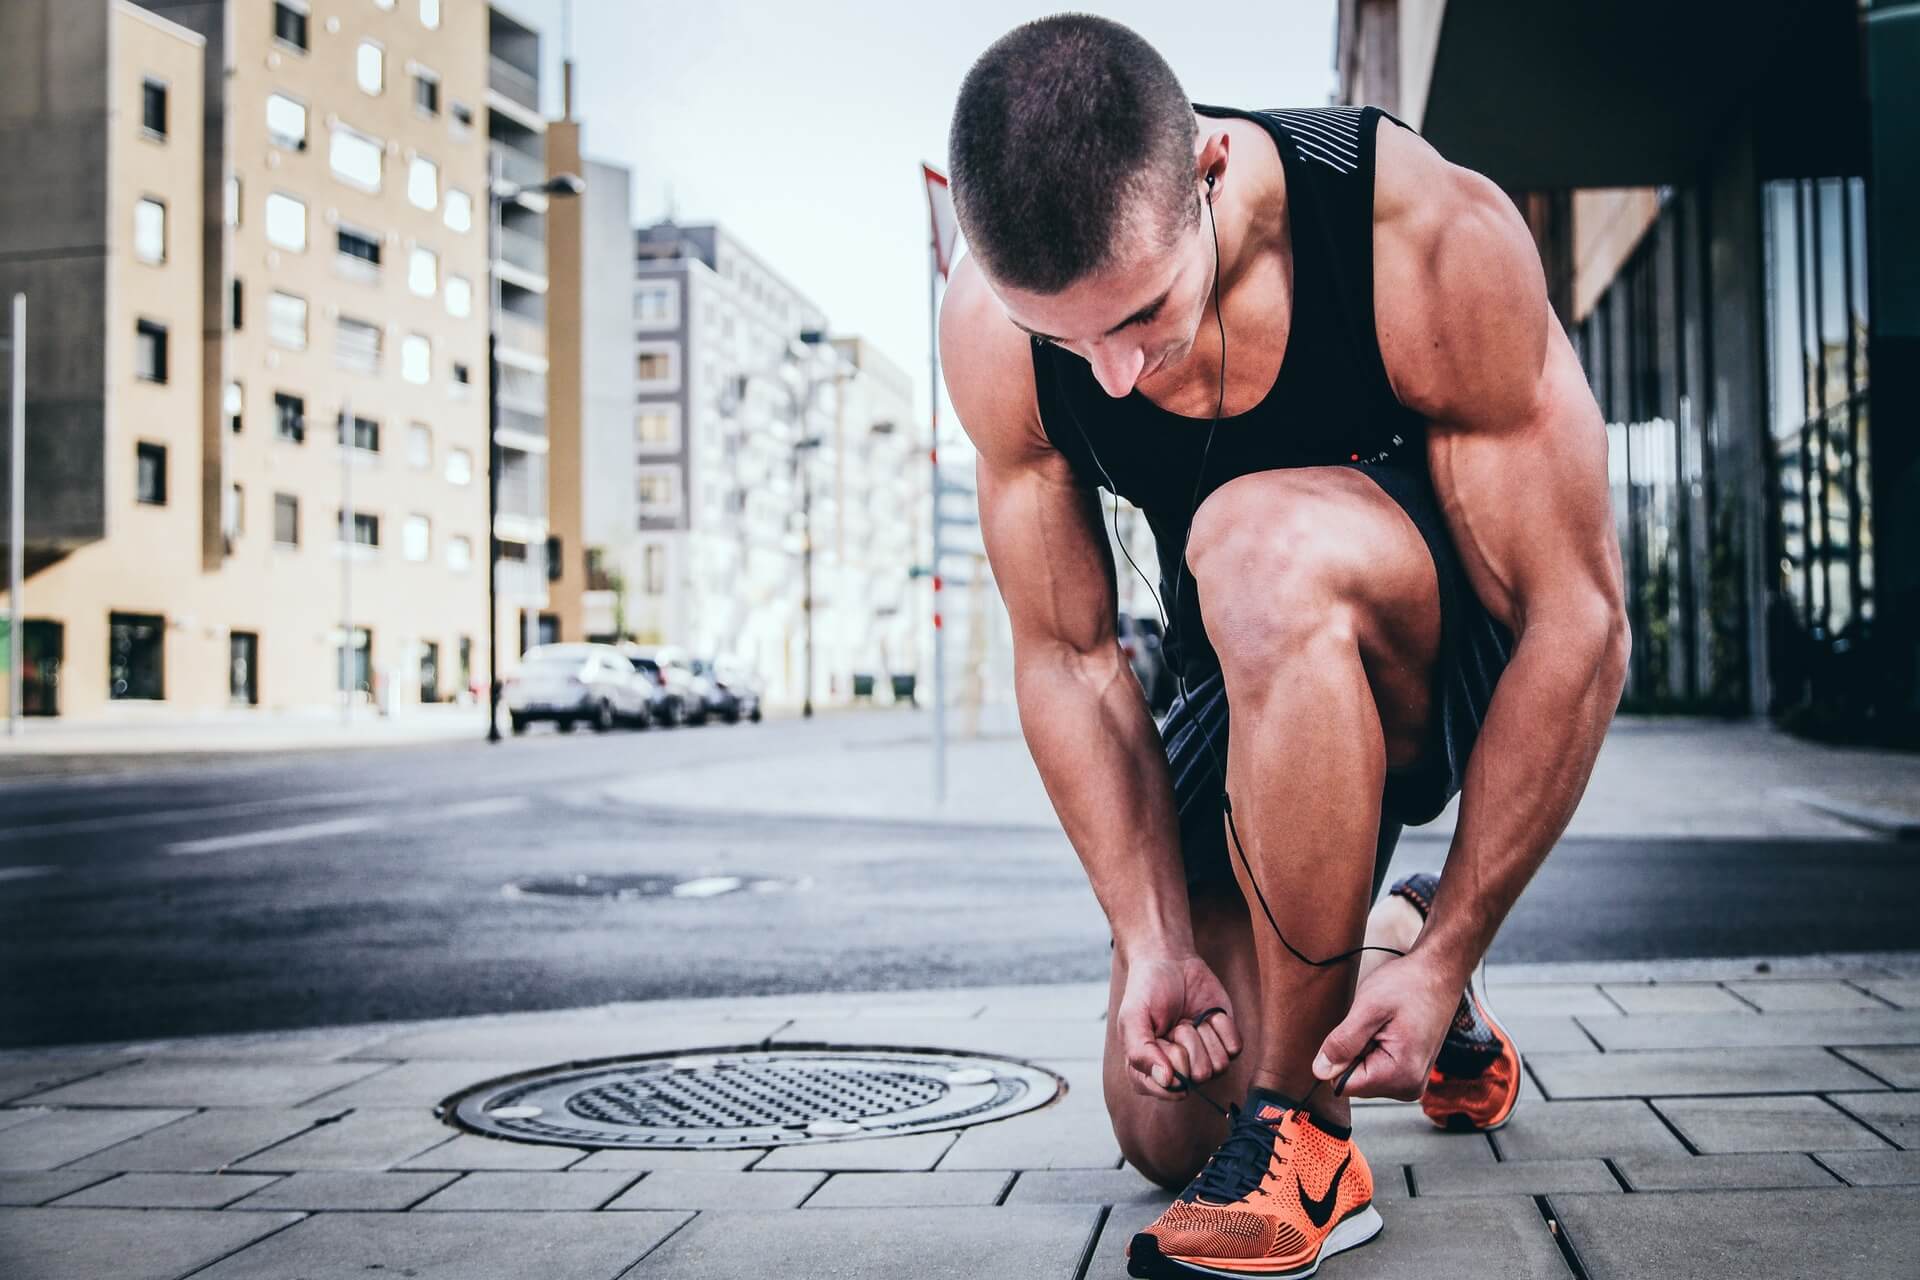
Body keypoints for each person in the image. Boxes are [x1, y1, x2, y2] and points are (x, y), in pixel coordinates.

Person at [938, 15, 1628, 1279]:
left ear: (1207, 175)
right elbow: (1070, 655)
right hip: (1252, 675)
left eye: (1140, 315)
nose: (1111, 375)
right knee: (1163, 1124)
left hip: (1445, 652)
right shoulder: (993, 331)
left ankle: (1310, 1140)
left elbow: (1580, 619)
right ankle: (1378, 956)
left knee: (1252, 540)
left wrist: (1463, 937)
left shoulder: (1413, 233)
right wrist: (1150, 937)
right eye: (1065, 338)